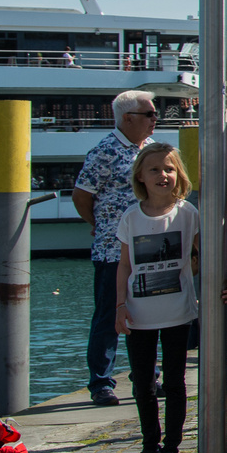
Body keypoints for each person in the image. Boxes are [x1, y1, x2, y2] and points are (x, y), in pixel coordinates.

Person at [115, 143, 200, 453]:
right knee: (143, 385)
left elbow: (201, 255)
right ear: (140, 176)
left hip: (178, 312)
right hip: (139, 314)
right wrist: (119, 306)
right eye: (154, 170)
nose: (162, 175)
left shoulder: (188, 214)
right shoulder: (131, 217)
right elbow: (123, 265)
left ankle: (171, 449)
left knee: (176, 382)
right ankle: (149, 447)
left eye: (169, 169)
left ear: (179, 174)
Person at [73, 89, 158, 406]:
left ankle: (146, 377)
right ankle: (101, 383)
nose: (155, 120)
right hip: (112, 249)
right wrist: (100, 225)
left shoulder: (150, 150)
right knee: (109, 315)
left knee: (149, 317)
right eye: (149, 114)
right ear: (128, 118)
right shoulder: (104, 152)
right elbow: (82, 196)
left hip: (148, 247)